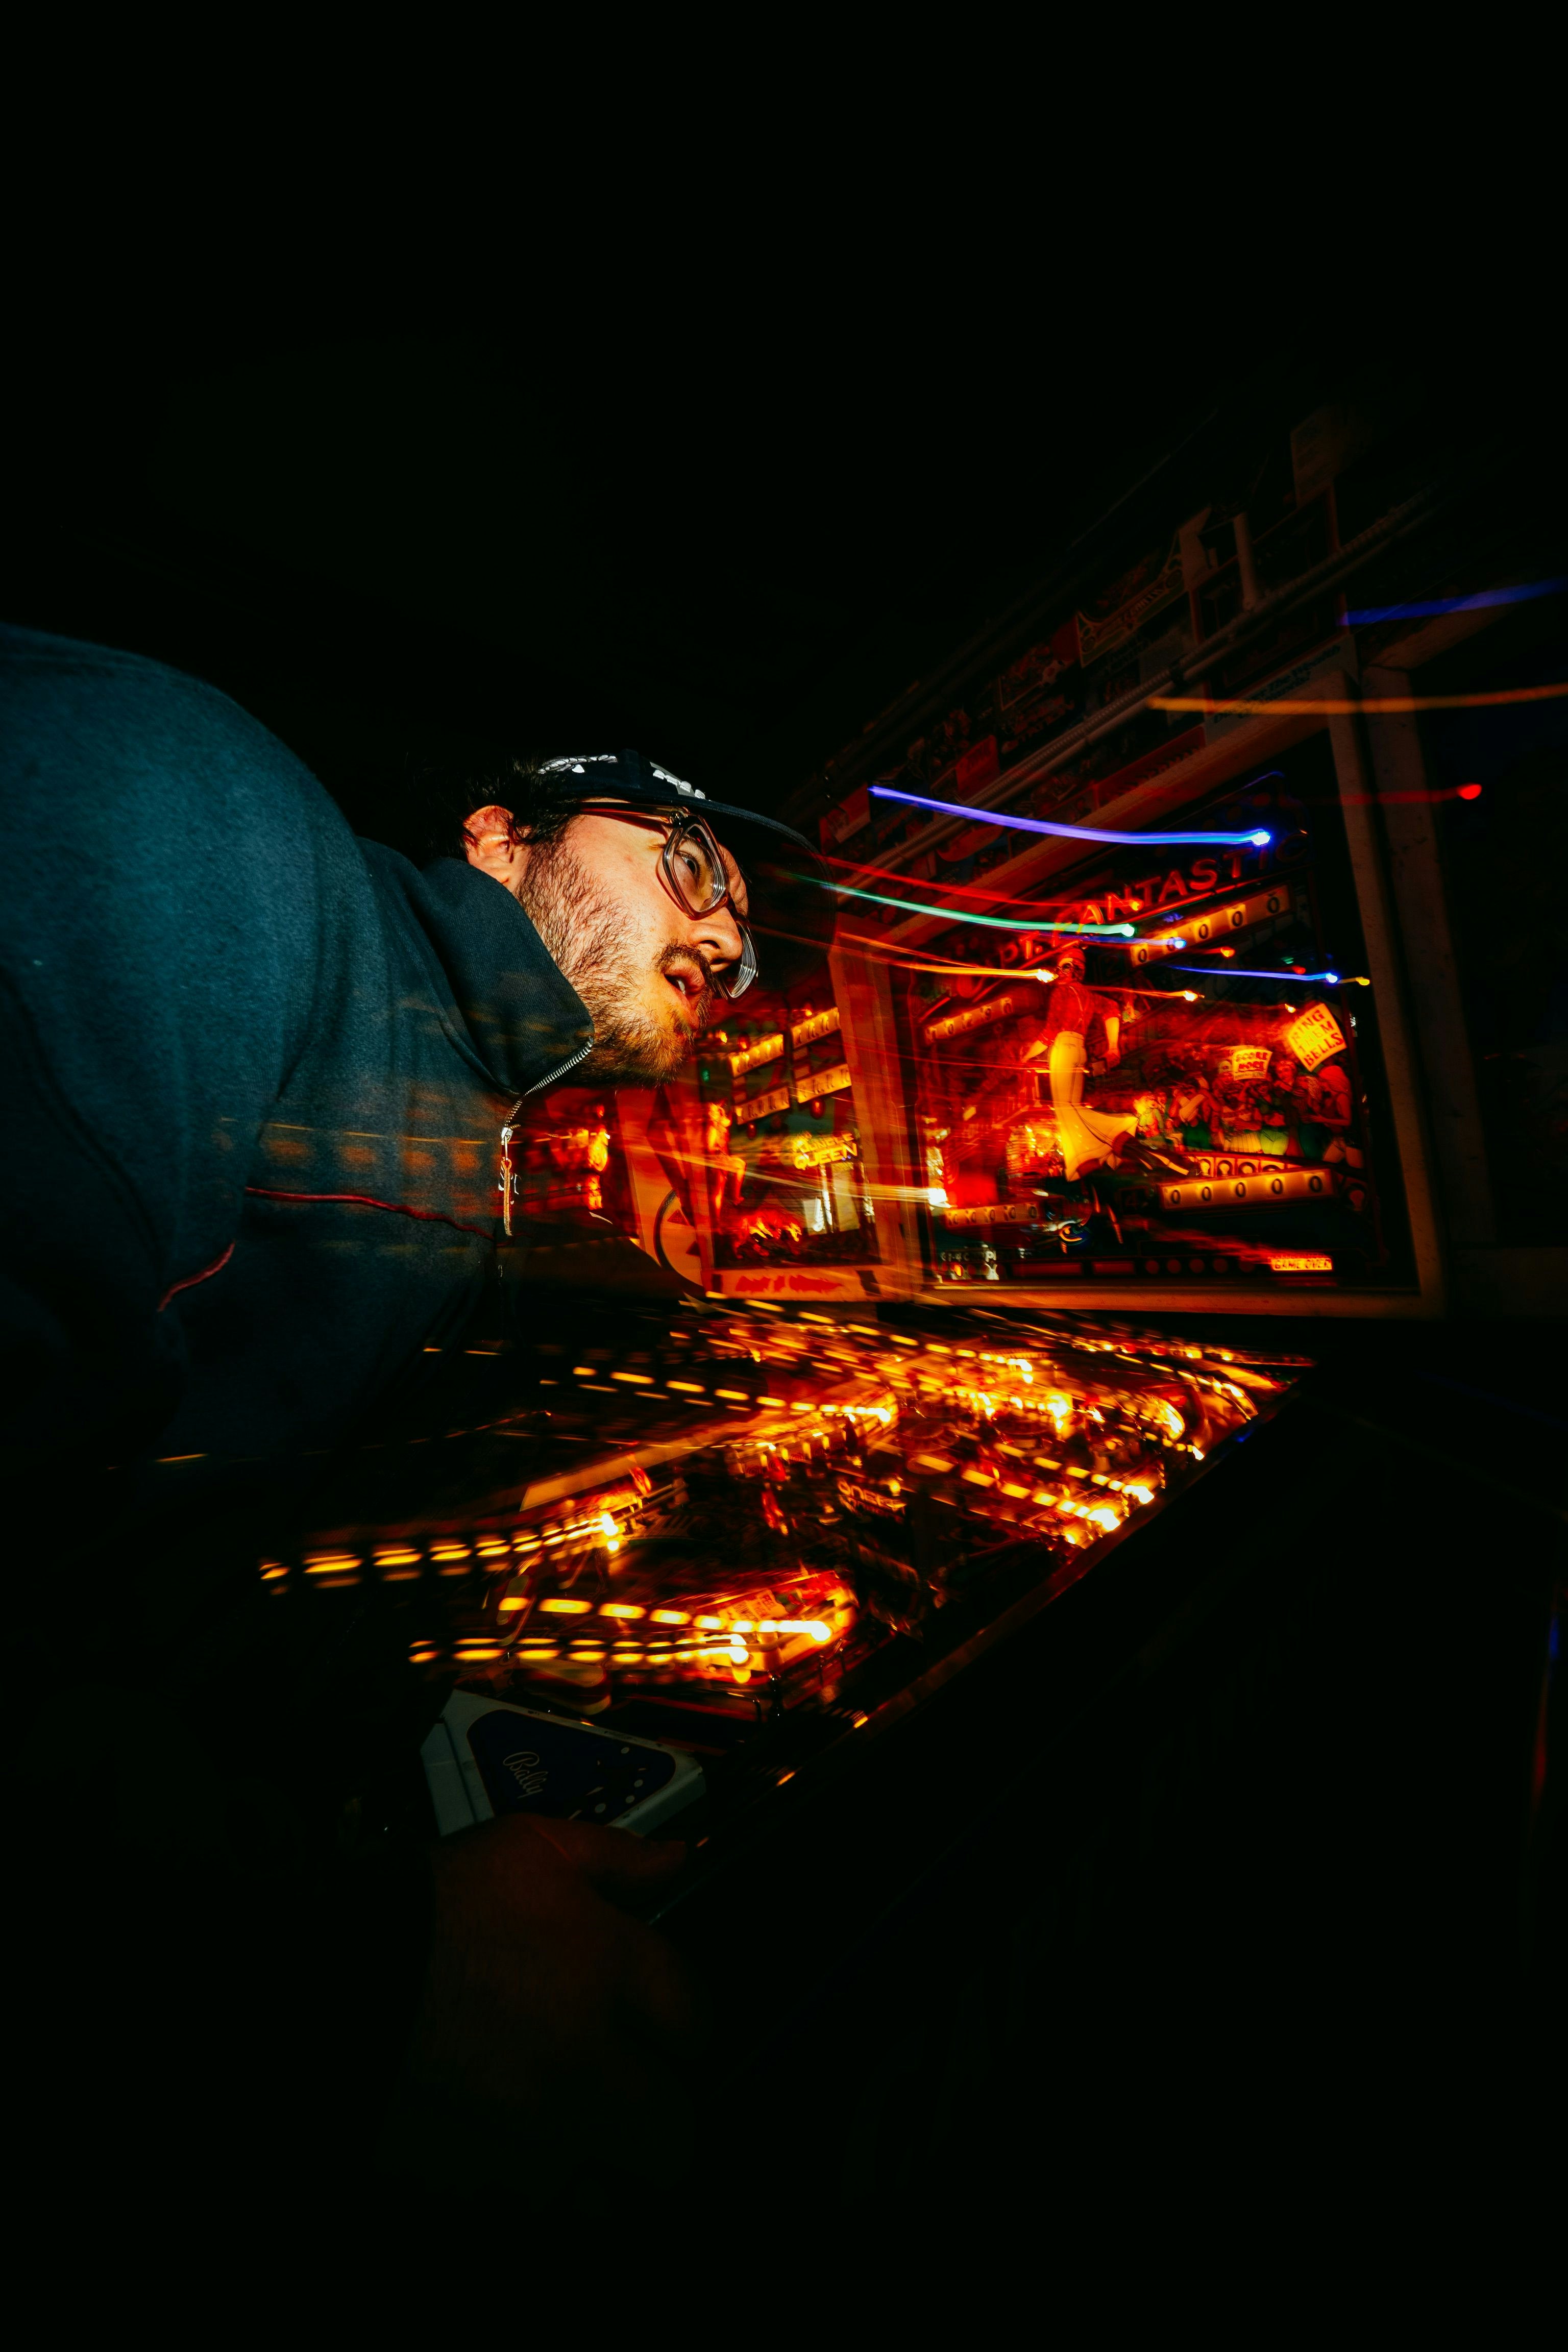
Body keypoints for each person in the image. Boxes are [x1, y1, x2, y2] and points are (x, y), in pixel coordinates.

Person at [0, 622, 825, 2187]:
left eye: (753, 947)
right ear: (501, 835)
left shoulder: (462, 1120)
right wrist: (326, 1977)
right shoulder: (194, 816)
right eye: (699, 863)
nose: (731, 949)